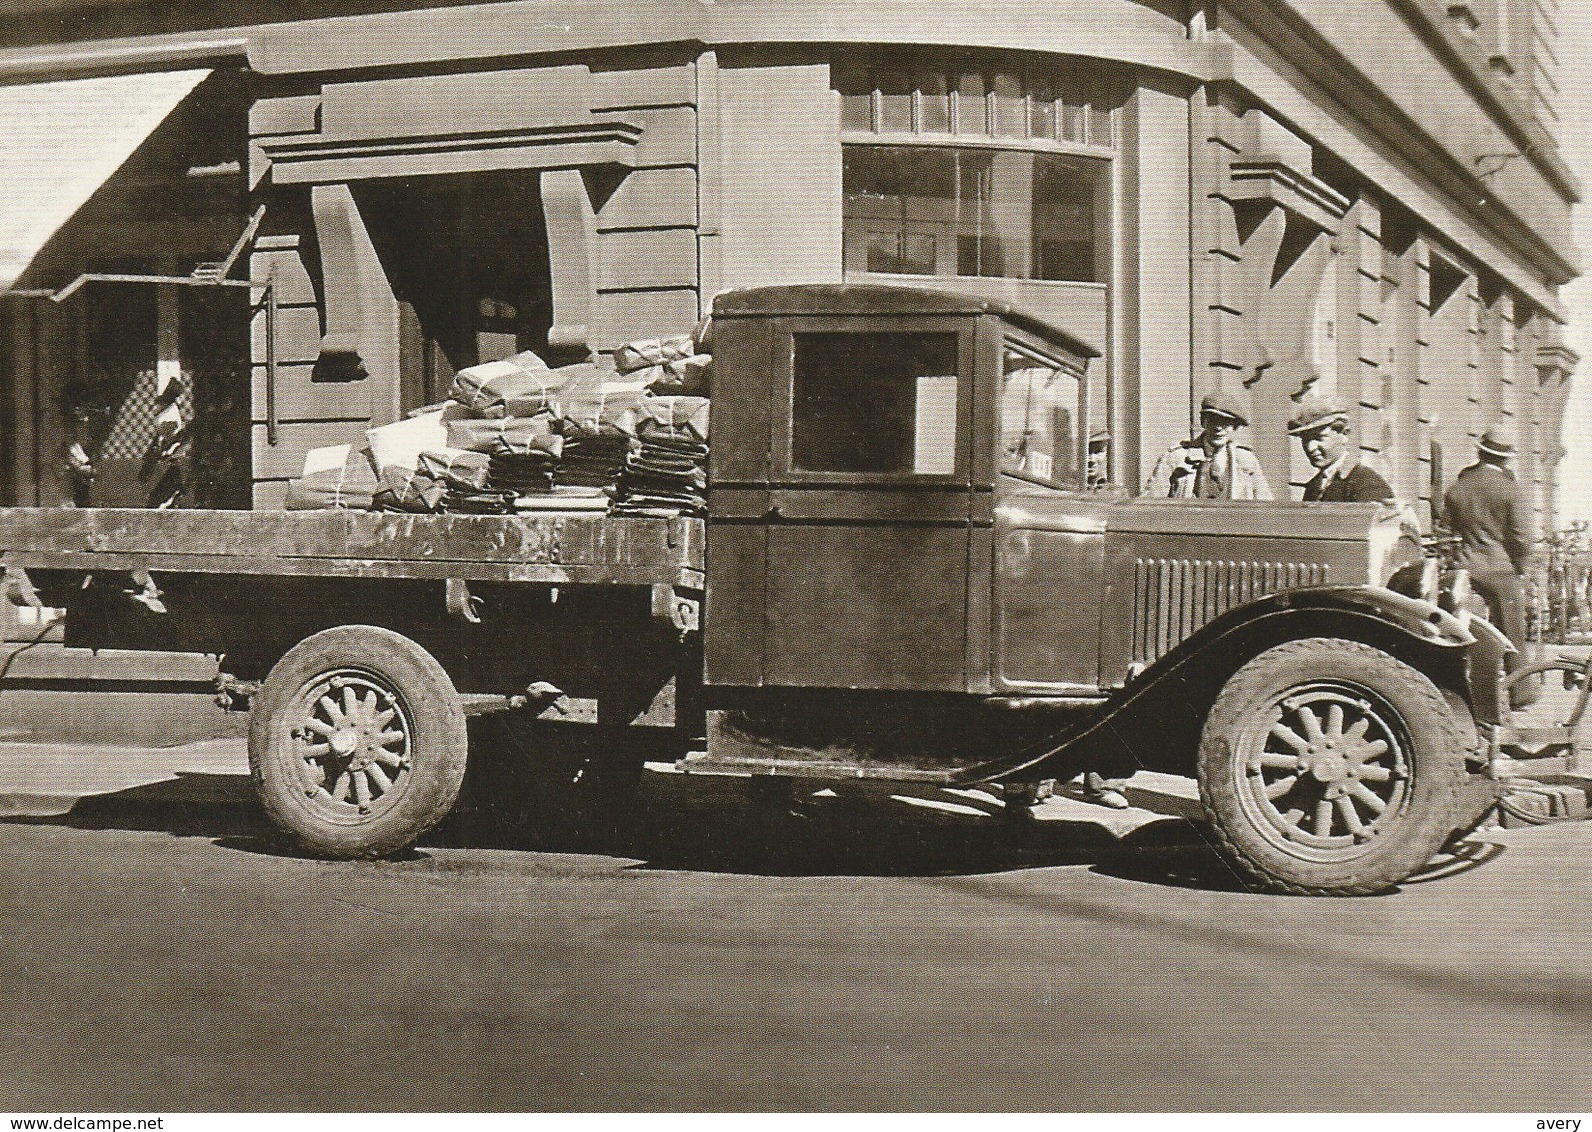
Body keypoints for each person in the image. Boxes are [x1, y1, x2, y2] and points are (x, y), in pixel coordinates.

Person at [1442, 426, 1535, 705]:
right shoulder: (1510, 490)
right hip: (1500, 569)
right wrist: (1521, 568)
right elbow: (1520, 538)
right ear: (1506, 459)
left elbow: (1446, 529)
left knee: (1460, 630)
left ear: (1480, 451)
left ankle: (1460, 694)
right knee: (1512, 630)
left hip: (1464, 568)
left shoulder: (1458, 488)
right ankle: (1521, 693)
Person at [1145, 391, 1272, 500]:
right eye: (1213, 421)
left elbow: (1266, 508)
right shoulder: (1176, 458)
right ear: (1203, 422)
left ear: (1234, 426)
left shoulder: (1246, 461)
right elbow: (1150, 505)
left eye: (1226, 423)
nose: (1218, 428)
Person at [1287, 395, 1395, 503]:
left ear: (1344, 434)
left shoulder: (1367, 484)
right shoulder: (1313, 486)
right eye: (1305, 440)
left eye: (1319, 438)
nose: (1310, 448)